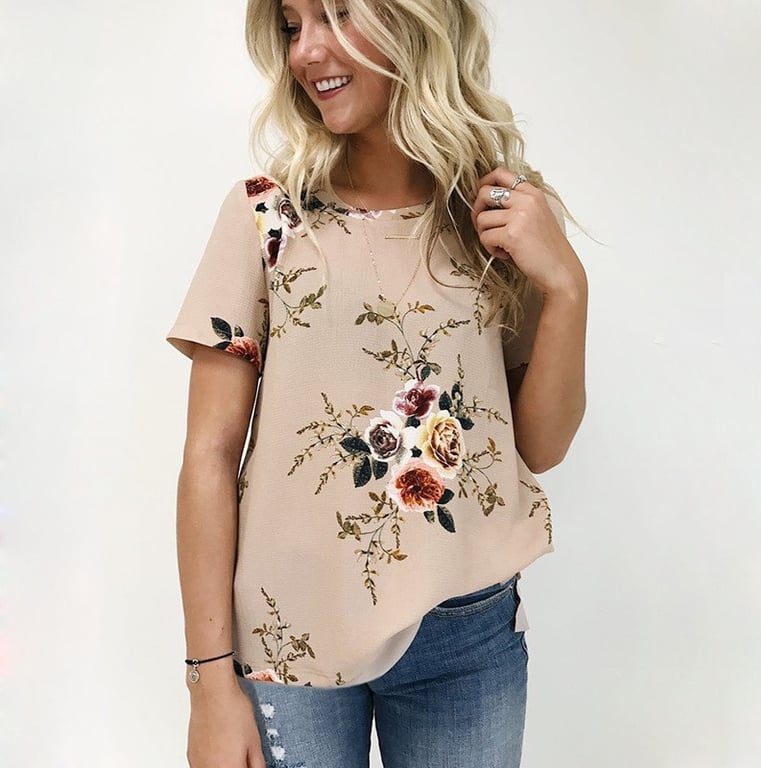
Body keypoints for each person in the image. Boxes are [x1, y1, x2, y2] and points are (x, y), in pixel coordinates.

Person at [165, 0, 588, 766]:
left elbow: (541, 446)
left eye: (336, 15)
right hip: (290, 638)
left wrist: (567, 289)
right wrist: (208, 686)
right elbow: (209, 454)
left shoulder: (498, 215)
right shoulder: (269, 217)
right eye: (294, 25)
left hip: (467, 635)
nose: (305, 51)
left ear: (413, 21)